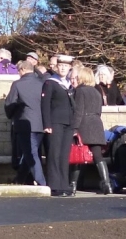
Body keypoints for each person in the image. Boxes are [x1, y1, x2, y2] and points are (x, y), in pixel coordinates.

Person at [70, 66, 111, 194]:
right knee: (98, 156)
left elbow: (78, 112)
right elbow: (99, 111)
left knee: (77, 155)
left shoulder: (80, 91)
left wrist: (74, 128)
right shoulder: (97, 92)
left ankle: (73, 185)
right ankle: (107, 184)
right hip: (96, 124)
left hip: (84, 124)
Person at [4, 60, 46, 186]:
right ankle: (20, 179)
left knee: (31, 154)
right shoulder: (42, 83)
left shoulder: (18, 84)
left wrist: (11, 114)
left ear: (22, 70)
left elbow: (10, 104)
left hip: (24, 124)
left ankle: (42, 182)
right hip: (40, 125)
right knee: (31, 152)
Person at [41, 54, 74, 196]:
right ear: (56, 66)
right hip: (54, 122)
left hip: (68, 123)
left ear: (69, 68)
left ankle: (64, 185)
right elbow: (45, 104)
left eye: (66, 66)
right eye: (61, 65)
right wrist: (47, 124)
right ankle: (54, 185)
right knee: (54, 154)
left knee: (64, 155)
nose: (63, 68)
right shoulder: (50, 83)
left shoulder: (70, 84)